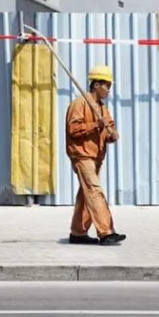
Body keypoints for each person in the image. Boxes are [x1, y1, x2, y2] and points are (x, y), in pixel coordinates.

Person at [66, 65, 125, 246]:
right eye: (106, 85)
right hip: (82, 156)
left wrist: (112, 134)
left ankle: (78, 232)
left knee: (86, 195)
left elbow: (108, 130)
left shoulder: (102, 108)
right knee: (94, 191)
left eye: (110, 86)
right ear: (96, 84)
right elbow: (73, 129)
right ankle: (106, 232)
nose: (108, 90)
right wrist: (95, 125)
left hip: (96, 157)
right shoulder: (79, 104)